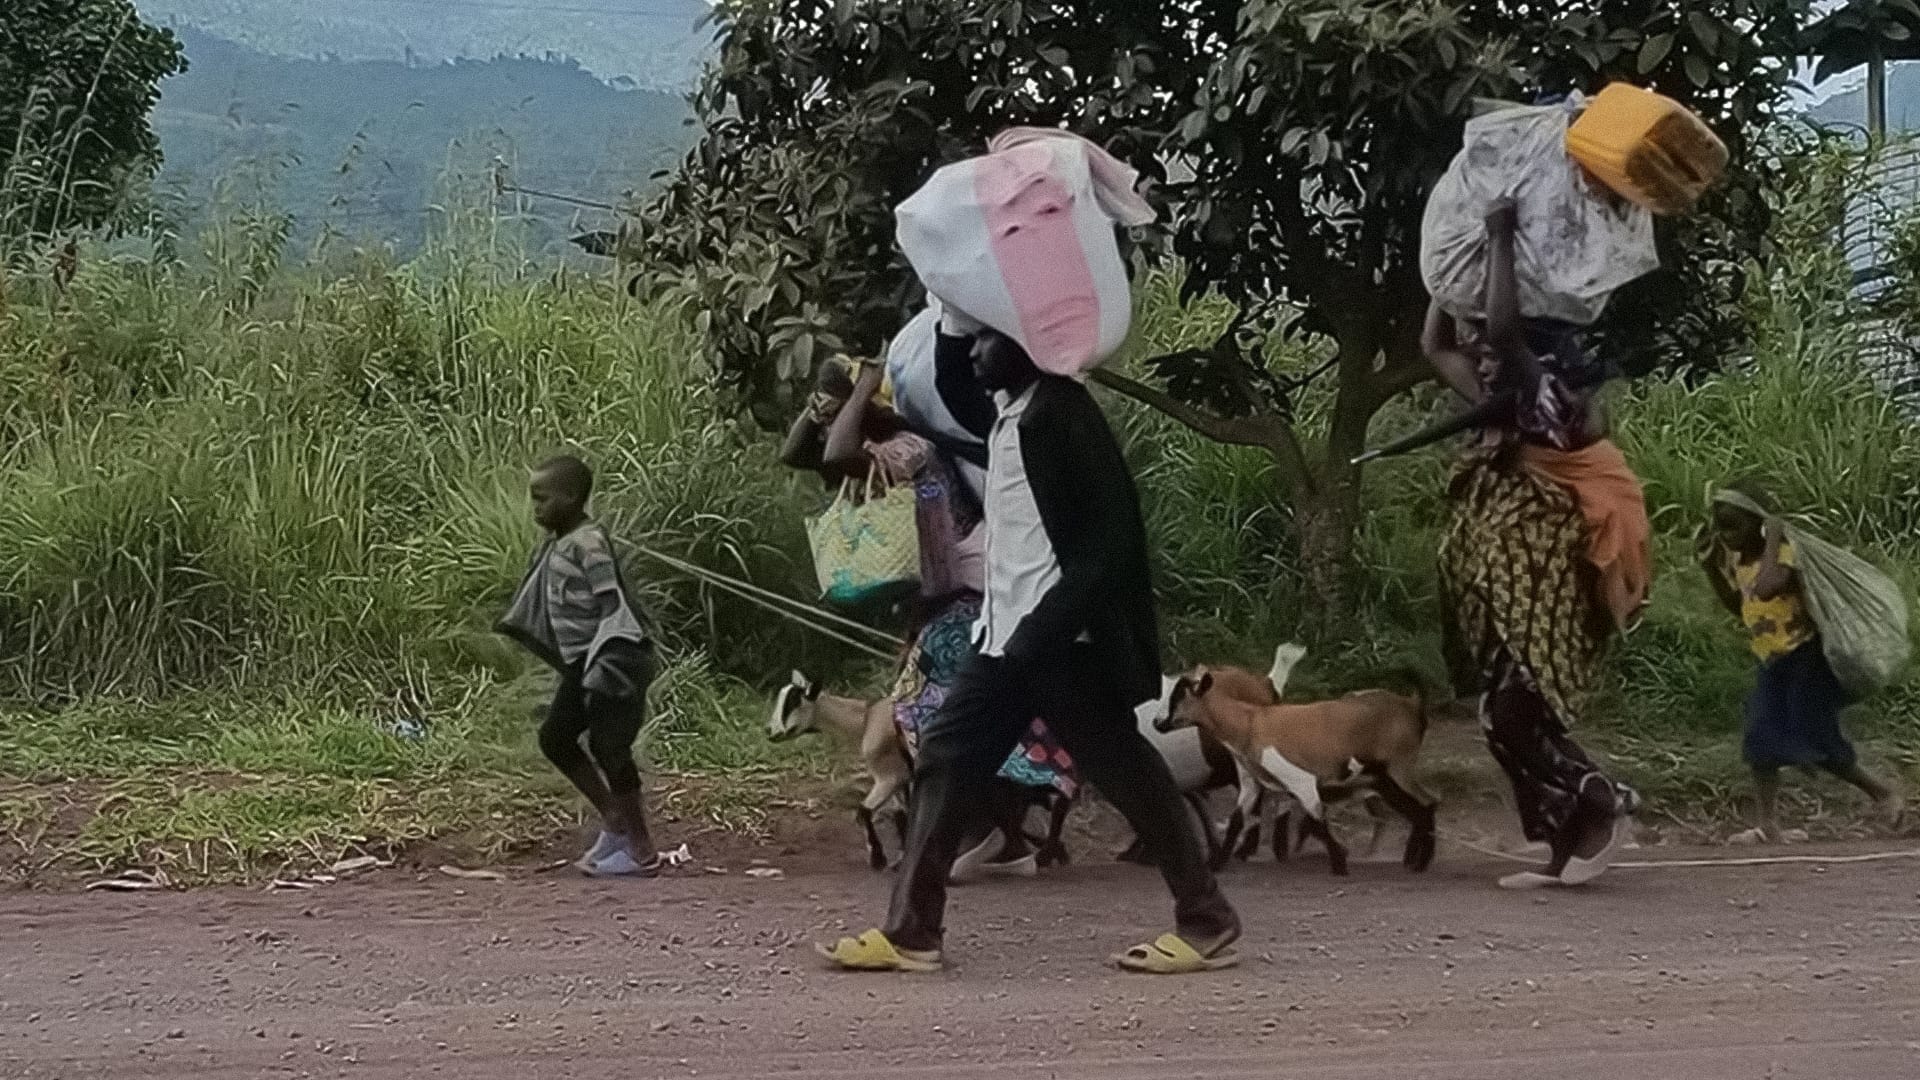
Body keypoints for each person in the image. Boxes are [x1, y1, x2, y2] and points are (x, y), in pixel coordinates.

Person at [816, 326, 1240, 975]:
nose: (979, 351)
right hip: (1004, 637)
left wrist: (1047, 625)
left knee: (1125, 771)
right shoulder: (1011, 411)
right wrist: (953, 315)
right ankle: (912, 933)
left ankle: (1207, 919)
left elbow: (1111, 539)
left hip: (1058, 641)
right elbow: (955, 378)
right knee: (944, 756)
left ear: (1029, 344)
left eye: (992, 338)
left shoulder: (1064, 414)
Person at [781, 354, 1078, 877]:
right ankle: (997, 836)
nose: (830, 420)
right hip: (938, 610)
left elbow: (838, 449)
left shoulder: (914, 450)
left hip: (963, 604)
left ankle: (991, 834)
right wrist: (826, 399)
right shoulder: (884, 451)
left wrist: (862, 385)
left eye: (837, 409)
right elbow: (798, 453)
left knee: (941, 723)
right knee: (946, 721)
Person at [1427, 201, 1652, 890]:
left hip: (1559, 581)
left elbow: (1502, 327)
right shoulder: (1502, 398)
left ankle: (1598, 802)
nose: (1482, 361)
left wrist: (1496, 235)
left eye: (1495, 356)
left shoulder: (1553, 402)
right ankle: (1563, 837)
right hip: (1517, 589)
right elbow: (1436, 347)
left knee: (1518, 712)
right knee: (1499, 716)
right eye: (1482, 357)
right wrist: (1445, 267)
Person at [1700, 483, 1904, 843]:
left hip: (1806, 660)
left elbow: (1766, 588)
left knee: (1817, 740)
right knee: (1760, 740)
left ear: (1758, 524)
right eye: (1721, 526)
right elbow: (1742, 606)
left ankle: (1883, 792)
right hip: (1773, 661)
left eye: (1733, 526)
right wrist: (1711, 570)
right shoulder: (1739, 561)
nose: (1725, 535)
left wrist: (1775, 533)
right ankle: (1768, 825)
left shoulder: (1782, 553)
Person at [496, 455, 662, 877]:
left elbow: (612, 605)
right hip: (580, 664)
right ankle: (615, 820)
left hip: (607, 663)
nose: (535, 508)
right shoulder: (564, 540)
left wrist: (604, 665)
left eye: (542, 499)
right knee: (555, 738)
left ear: (570, 498)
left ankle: (641, 850)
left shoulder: (588, 543)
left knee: (611, 748)